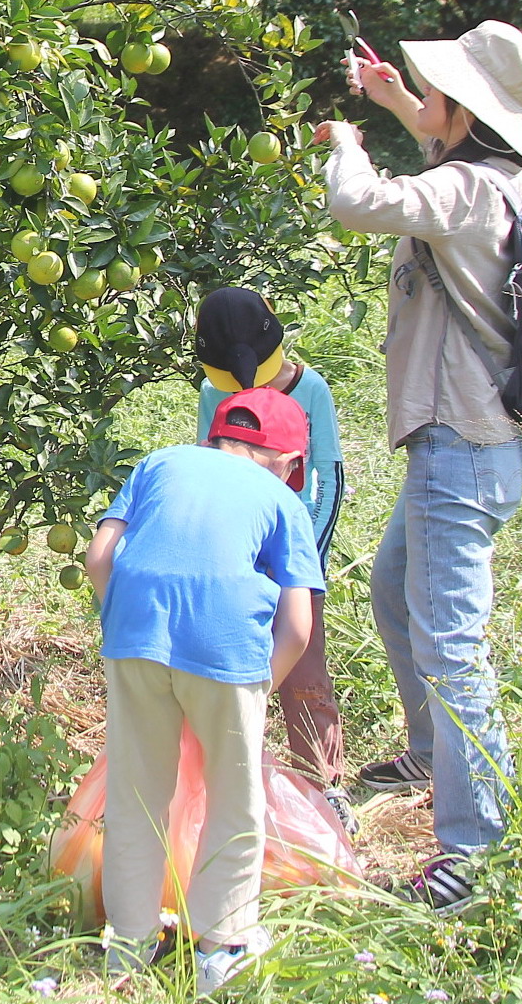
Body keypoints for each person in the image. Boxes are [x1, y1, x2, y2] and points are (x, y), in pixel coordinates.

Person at [316, 18, 522, 912]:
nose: (429, 102)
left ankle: (469, 851)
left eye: (437, 92)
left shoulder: (463, 191)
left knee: (453, 646)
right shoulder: (501, 178)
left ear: (465, 110)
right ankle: (427, 750)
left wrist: (345, 141)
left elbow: (361, 204)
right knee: (391, 586)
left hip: (461, 447)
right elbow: (445, 146)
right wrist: (397, 100)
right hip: (467, 445)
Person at [86, 389, 322, 993]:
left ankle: (129, 947)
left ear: (210, 441)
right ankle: (223, 943)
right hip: (227, 652)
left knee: (137, 793)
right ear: (292, 463)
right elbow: (297, 625)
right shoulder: (282, 500)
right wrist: (257, 686)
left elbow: (98, 558)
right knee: (233, 798)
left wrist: (124, 625)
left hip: (135, 634)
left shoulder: (160, 462)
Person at [192, 287, 352, 829]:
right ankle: (233, 782)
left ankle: (323, 784)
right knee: (229, 668)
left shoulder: (312, 391)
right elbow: (209, 471)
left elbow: (328, 479)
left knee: (303, 668)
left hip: (293, 554)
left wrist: (304, 561)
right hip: (237, 559)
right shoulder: (212, 398)